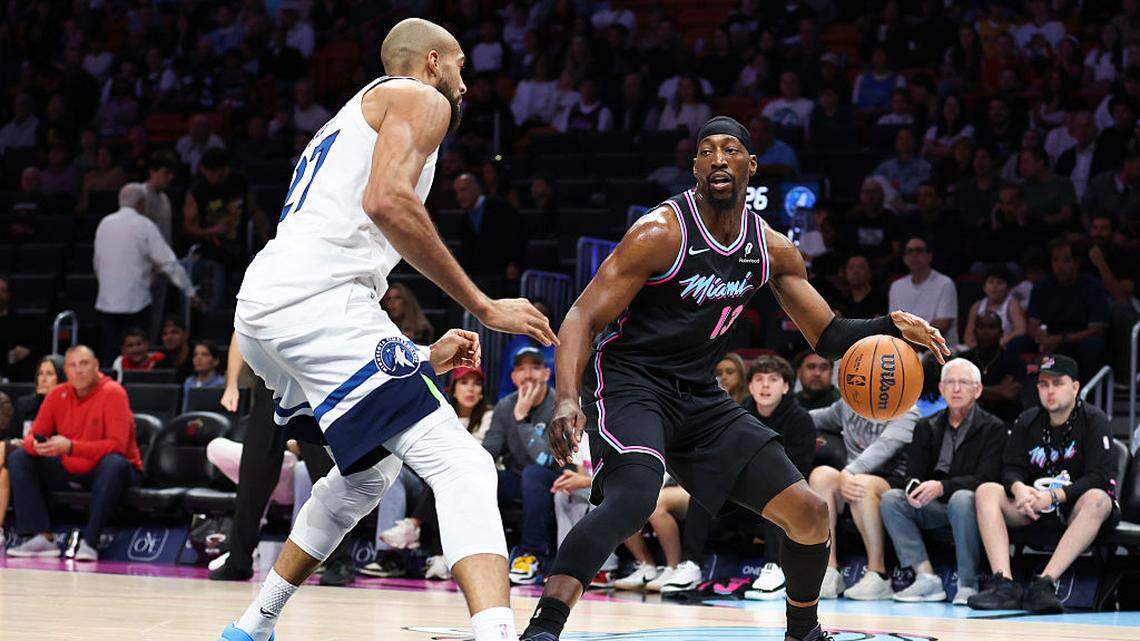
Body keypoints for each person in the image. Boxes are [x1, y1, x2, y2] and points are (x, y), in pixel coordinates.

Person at [521, 115, 948, 641]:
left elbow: (829, 335)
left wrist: (891, 324)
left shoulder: (772, 249)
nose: (718, 158)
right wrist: (566, 399)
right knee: (634, 497)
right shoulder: (661, 232)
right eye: (706, 150)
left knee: (811, 513)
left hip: (700, 393)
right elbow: (583, 315)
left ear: (751, 165)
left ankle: (803, 632)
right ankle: (544, 627)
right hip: (632, 381)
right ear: (696, 166)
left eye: (729, 150)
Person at [221, 18, 556, 641]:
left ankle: (252, 626)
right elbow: (386, 202)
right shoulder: (420, 97)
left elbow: (350, 225)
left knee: (367, 474)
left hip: (266, 307)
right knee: (464, 466)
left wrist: (421, 355)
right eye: (460, 65)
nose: (464, 83)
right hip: (320, 303)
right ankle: (497, 634)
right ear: (432, 62)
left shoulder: (342, 120)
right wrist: (484, 305)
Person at [969, 355, 1119, 614]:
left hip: (1076, 509)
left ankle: (1045, 584)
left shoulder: (1095, 420)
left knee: (1097, 498)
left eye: (1058, 383)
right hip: (1034, 506)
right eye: (1043, 384)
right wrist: (1019, 489)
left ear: (1075, 387)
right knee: (987, 491)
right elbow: (1010, 468)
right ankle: (1004, 584)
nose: (1049, 391)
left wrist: (1054, 496)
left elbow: (1100, 476)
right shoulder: (1027, 420)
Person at [879, 358, 1007, 604]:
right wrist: (913, 489)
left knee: (962, 498)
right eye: (950, 382)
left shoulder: (993, 428)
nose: (956, 389)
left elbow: (987, 478)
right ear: (940, 389)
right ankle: (926, 577)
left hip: (968, 507)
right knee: (891, 499)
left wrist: (941, 487)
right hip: (932, 505)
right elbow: (913, 472)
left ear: (978, 390)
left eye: (963, 383)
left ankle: (968, 584)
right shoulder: (926, 425)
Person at [4, 346, 142, 562]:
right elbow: (33, 435)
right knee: (20, 457)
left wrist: (71, 447)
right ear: (66, 371)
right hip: (71, 465)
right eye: (72, 365)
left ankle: (91, 542)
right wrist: (37, 446)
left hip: (114, 471)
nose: (78, 370)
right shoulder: (58, 395)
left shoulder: (114, 393)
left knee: (114, 463)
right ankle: (42, 537)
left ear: (96, 366)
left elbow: (118, 446)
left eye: (84, 364)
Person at [808, 398, 920, 600]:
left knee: (861, 483)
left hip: (892, 481)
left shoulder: (906, 408)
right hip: (849, 475)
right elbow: (811, 419)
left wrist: (850, 471)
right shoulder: (848, 403)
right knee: (821, 476)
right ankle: (829, 569)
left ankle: (878, 573)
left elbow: (885, 447)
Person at [94, 183, 197, 363]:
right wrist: (190, 291)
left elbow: (97, 263)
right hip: (135, 305)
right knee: (138, 358)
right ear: (141, 203)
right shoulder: (144, 225)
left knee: (110, 359)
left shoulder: (104, 224)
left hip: (106, 303)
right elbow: (167, 262)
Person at [742, 355, 817, 601]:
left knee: (777, 492)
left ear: (785, 386)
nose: (765, 385)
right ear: (750, 386)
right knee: (705, 493)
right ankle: (689, 565)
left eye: (773, 380)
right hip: (743, 495)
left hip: (787, 494)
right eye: (759, 379)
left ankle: (774, 568)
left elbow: (799, 470)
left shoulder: (800, 419)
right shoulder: (738, 416)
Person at [484, 346, 561, 585]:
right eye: (521, 368)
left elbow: (547, 460)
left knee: (534, 473)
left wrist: (522, 420)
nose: (528, 374)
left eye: (535, 367)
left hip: (556, 480)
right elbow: (488, 452)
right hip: (520, 480)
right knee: (480, 476)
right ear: (513, 377)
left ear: (547, 374)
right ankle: (475, 553)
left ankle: (532, 554)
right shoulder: (505, 405)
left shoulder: (560, 404)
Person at [1, 356, 65, 542]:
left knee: (5, 453)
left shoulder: (66, 406)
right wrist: (17, 441)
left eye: (50, 374)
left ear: (61, 378)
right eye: (40, 374)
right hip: (21, 455)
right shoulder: (24, 404)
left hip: (48, 460)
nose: (43, 379)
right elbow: (11, 436)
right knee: (5, 457)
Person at [1026, 239, 1109, 379]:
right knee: (1017, 344)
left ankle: (1086, 396)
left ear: (1077, 263)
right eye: (1055, 260)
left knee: (1092, 346)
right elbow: (1033, 322)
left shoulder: (1093, 287)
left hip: (1078, 338)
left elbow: (1097, 328)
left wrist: (1060, 339)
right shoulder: (1041, 287)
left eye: (1066, 261)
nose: (1060, 266)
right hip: (1050, 337)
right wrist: (1040, 337)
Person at [888, 236, 960, 347]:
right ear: (904, 258)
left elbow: (942, 325)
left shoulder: (945, 283)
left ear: (929, 256)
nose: (914, 255)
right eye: (909, 251)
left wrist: (910, 338)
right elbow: (894, 323)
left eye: (919, 250)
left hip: (939, 350)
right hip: (905, 348)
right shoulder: (896, 286)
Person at [963, 312, 1028, 423]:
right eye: (981, 327)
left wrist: (973, 389)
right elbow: (959, 392)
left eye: (992, 327)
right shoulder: (963, 360)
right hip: (969, 421)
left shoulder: (1014, 361)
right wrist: (1000, 391)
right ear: (974, 332)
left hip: (1006, 421)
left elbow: (1011, 394)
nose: (986, 332)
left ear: (1001, 333)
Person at [963, 265, 1026, 348]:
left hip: (1004, 348)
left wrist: (1000, 343)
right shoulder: (977, 306)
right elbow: (968, 335)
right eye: (991, 282)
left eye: (1000, 282)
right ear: (984, 287)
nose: (994, 286)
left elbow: (1020, 330)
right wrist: (975, 348)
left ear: (1008, 288)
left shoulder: (1012, 304)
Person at [873, 129, 932, 201]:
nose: (904, 141)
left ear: (915, 142)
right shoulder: (887, 165)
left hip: (910, 202)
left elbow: (919, 188)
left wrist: (898, 187)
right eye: (901, 138)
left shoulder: (923, 165)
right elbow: (872, 179)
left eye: (908, 138)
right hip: (886, 201)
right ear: (896, 143)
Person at [836, 254, 886, 320]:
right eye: (851, 268)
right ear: (845, 273)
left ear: (870, 272)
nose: (855, 272)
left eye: (861, 267)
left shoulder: (882, 299)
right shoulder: (842, 305)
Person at [182, 340, 225, 410]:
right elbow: (185, 410)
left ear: (216, 361)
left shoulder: (221, 383)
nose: (198, 358)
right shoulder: (189, 382)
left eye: (205, 354)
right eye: (195, 355)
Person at [160, 316, 195, 383]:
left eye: (174, 332)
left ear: (186, 335)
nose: (169, 337)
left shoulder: (198, 361)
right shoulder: (161, 365)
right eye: (165, 333)